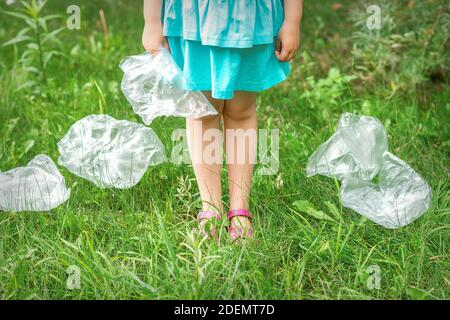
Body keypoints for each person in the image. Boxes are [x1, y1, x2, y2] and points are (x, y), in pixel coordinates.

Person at [142, 0, 303, 241]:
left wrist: (293, 20)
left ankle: (240, 211)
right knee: (202, 112)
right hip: (195, 20)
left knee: (241, 111)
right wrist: (152, 20)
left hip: (249, 19)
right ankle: (211, 209)